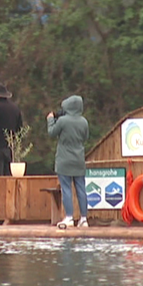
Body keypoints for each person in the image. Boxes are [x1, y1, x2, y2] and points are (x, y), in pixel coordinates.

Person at [47, 95, 90, 229]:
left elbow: (52, 133)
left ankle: (69, 217)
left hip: (64, 159)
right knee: (81, 189)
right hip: (79, 159)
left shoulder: (63, 121)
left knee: (66, 189)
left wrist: (50, 120)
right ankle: (84, 219)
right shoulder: (84, 121)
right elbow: (85, 137)